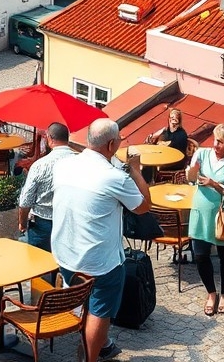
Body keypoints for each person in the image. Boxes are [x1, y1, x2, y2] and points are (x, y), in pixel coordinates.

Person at [52, 118, 151, 362]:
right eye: (117, 141)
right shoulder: (114, 177)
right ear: (110, 145)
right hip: (99, 262)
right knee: (99, 310)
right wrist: (135, 170)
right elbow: (143, 206)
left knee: (81, 301)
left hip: (65, 253)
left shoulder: (64, 165)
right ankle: (89, 357)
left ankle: (95, 345)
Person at [186, 123, 224, 316]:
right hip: (201, 212)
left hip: (223, 213)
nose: (215, 144)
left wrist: (215, 184)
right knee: (200, 255)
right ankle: (211, 293)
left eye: (220, 141)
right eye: (215, 140)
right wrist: (191, 173)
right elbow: (191, 177)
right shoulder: (202, 154)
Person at [17, 123, 73, 252]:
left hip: (42, 223)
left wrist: (22, 223)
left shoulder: (40, 165)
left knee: (38, 263)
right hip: (70, 221)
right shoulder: (80, 162)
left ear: (49, 138)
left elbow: (25, 201)